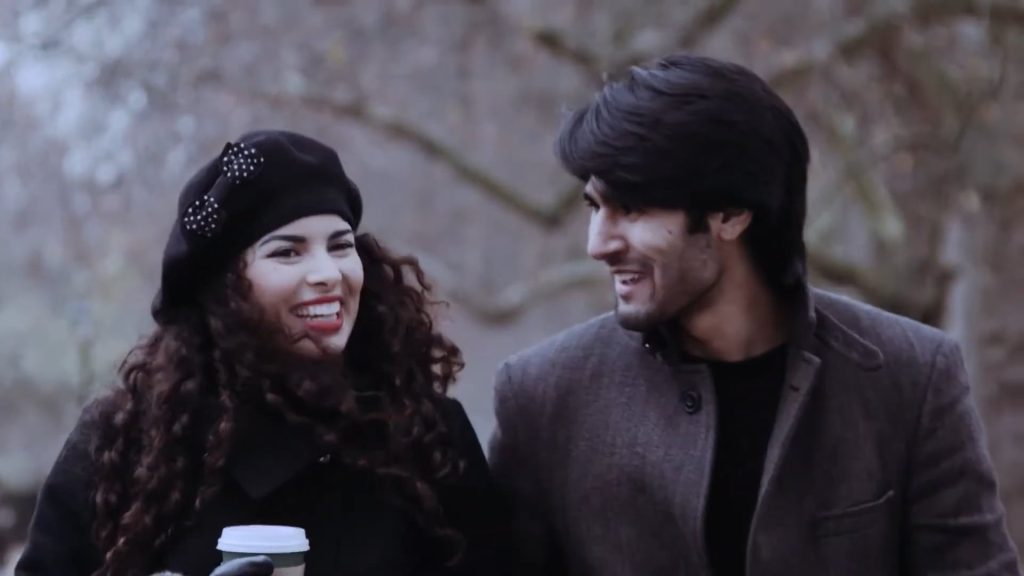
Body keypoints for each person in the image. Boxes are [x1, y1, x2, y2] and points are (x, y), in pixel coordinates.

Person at [488, 54, 1021, 575]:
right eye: (594, 206)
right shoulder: (542, 396)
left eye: (631, 207)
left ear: (730, 213)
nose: (598, 243)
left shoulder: (910, 375)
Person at [17, 130, 503, 576]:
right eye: (287, 252)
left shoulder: (426, 435)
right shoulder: (125, 443)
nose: (328, 273)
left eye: (340, 246)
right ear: (226, 290)